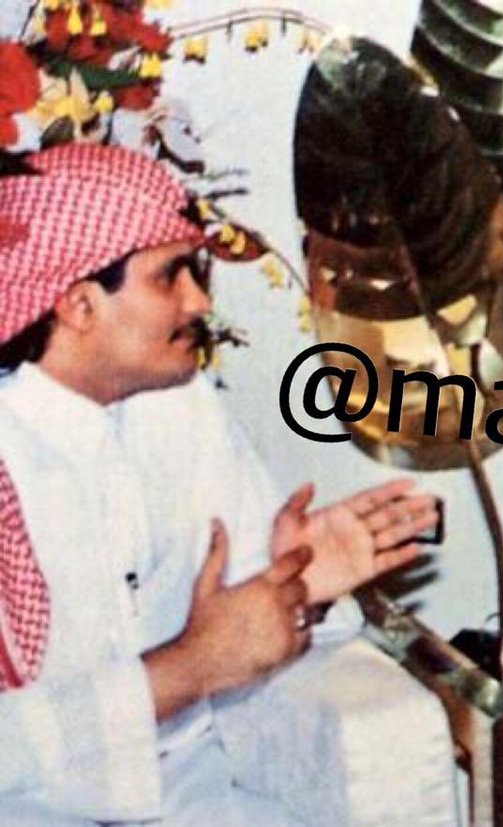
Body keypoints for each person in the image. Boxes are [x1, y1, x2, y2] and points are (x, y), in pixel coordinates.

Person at [0, 144, 458, 824]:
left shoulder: (181, 406)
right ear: (78, 305)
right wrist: (188, 667)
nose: (200, 300)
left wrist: (298, 583)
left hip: (189, 789)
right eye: (170, 276)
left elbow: (245, 629)